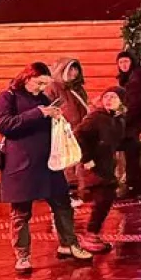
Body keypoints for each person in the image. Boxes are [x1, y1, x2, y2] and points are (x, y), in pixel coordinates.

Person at [0, 62, 92, 273]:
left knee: (62, 204)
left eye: (45, 84)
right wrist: (38, 113)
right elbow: (3, 125)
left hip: (49, 163)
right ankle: (23, 256)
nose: (41, 88)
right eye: (39, 83)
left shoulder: (43, 98)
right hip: (21, 165)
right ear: (27, 77)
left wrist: (55, 115)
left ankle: (69, 244)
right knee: (21, 213)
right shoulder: (8, 96)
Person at [75, 88, 125, 254]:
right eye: (106, 96)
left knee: (106, 200)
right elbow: (79, 135)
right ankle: (90, 235)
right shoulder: (96, 117)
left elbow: (117, 142)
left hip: (107, 164)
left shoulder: (117, 119)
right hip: (93, 166)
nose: (109, 100)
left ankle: (93, 234)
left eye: (113, 97)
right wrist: (86, 158)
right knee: (103, 198)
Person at [47, 58, 90, 205]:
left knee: (78, 161)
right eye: (70, 68)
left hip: (80, 129)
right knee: (67, 162)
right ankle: (67, 194)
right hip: (64, 131)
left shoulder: (78, 88)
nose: (74, 72)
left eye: (76, 69)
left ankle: (79, 192)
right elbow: (49, 107)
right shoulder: (54, 87)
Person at [116, 51, 141, 197]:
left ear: (132, 62)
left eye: (126, 61)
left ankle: (134, 187)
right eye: (120, 62)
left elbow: (134, 104)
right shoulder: (130, 77)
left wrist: (122, 117)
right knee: (131, 156)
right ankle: (134, 186)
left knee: (131, 156)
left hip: (134, 123)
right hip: (134, 122)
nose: (123, 65)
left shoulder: (136, 78)